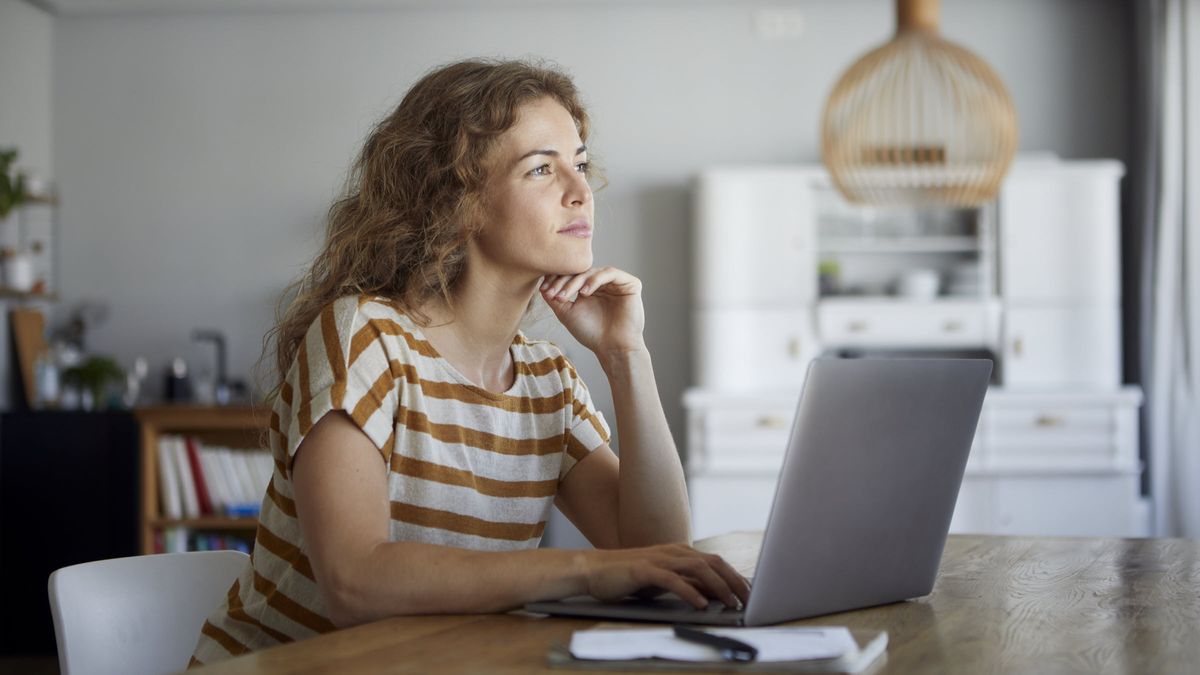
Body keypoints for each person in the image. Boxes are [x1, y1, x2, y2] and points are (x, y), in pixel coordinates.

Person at [190, 58, 749, 666]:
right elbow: (355, 583)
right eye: (542, 168)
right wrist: (586, 569)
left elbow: (657, 553)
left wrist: (626, 355)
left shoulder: (548, 381)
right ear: (458, 202)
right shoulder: (364, 336)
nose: (580, 189)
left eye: (580, 163)